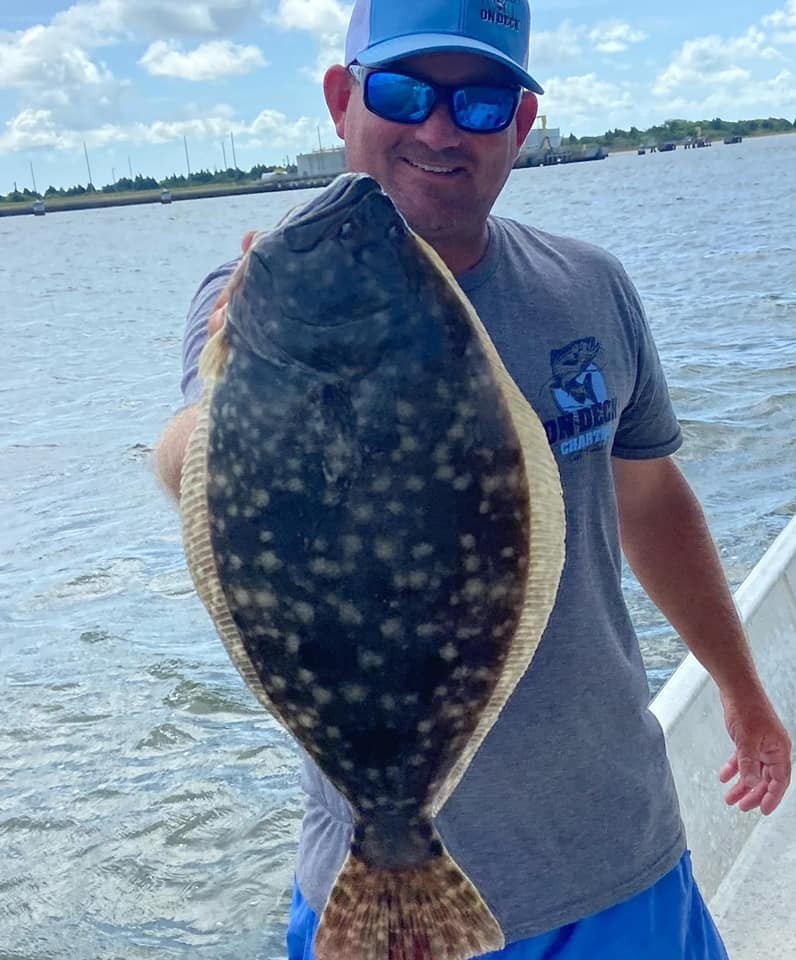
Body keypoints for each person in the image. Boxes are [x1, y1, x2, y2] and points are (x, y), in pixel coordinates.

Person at [154, 1, 792, 957]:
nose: (440, 129)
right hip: (372, 880)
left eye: (483, 102)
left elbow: (651, 500)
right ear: (343, 99)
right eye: (404, 91)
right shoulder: (261, 290)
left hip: (626, 849)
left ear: (522, 124)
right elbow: (181, 460)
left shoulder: (589, 285)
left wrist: (742, 690)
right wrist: (236, 397)